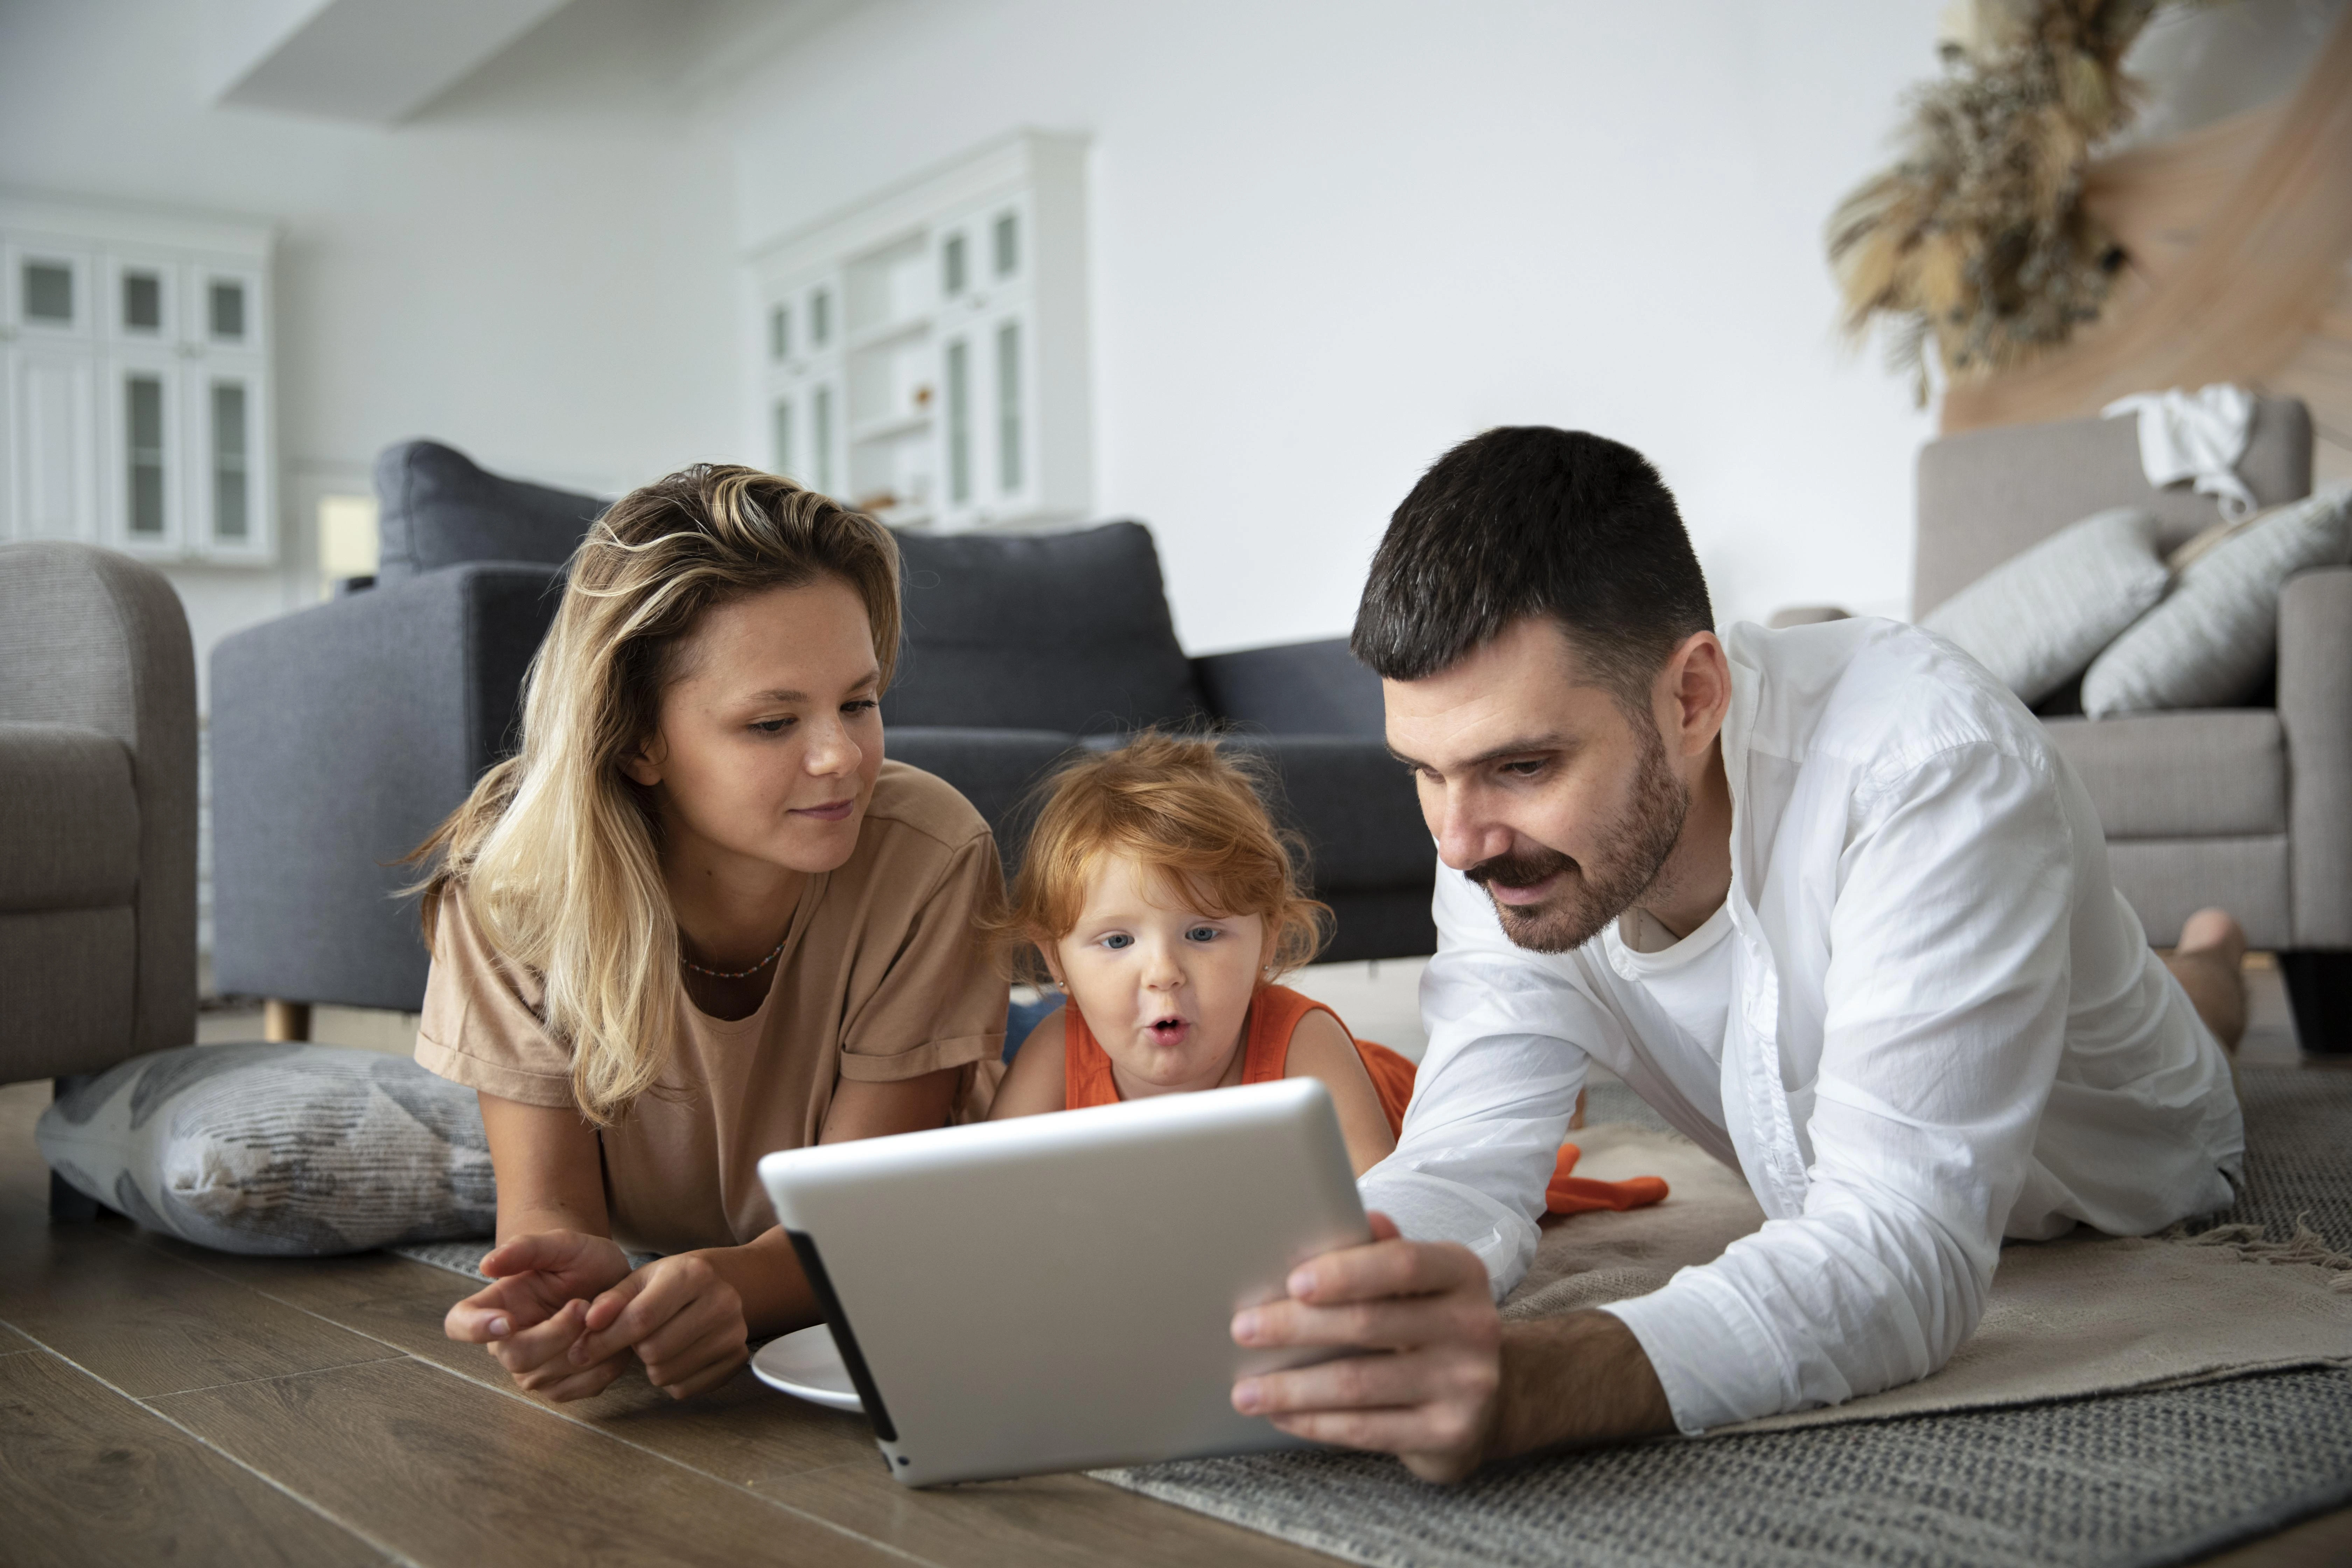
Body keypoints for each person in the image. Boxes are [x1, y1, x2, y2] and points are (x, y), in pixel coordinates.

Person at [1226, 427, 2247, 1480]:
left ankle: (2212, 956)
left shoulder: (1932, 767)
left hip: (2130, 1162)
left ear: (1692, 698)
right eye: (1425, 772)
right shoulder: (1496, 838)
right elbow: (1465, 1163)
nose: (1457, 843)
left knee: (2191, 1017)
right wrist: (1327, 1291)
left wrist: (1535, 1383)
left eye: (1523, 765)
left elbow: (1906, 1249)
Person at [412, 465, 1007, 1404]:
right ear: (636, 741)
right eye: (773, 722)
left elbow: (863, 1220)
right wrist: (562, 1297)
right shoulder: (512, 891)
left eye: (860, 701)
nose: (840, 757)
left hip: (894, 1223)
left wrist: (734, 1288)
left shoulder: (931, 856)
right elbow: (554, 1213)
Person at [987, 732, 1666, 1216]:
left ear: (1267, 940)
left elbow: (1381, 1203)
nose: (1163, 973)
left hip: (1389, 1098)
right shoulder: (1054, 1050)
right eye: (1115, 940)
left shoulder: (1301, 1041)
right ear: (1055, 960)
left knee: (1518, 1138)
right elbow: (985, 1199)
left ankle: (1561, 1088)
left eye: (1202, 933)